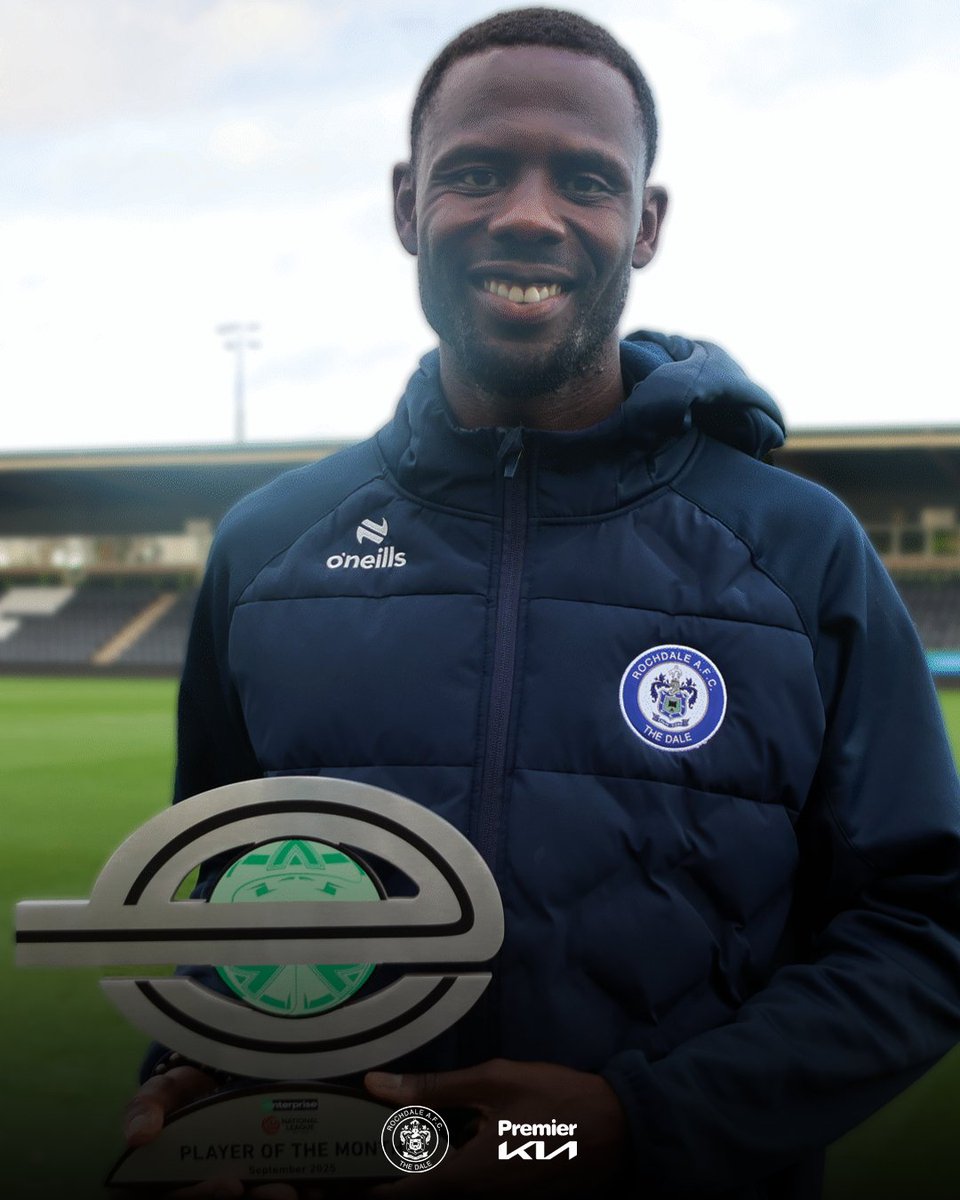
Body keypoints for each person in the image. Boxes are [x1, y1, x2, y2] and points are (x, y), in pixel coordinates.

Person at [123, 8, 960, 1199]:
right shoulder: (266, 551)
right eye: (475, 173)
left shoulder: (799, 549)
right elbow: (229, 897)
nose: (526, 213)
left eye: (583, 178)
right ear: (409, 203)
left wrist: (634, 1123)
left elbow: (926, 926)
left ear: (646, 224)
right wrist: (210, 1056)